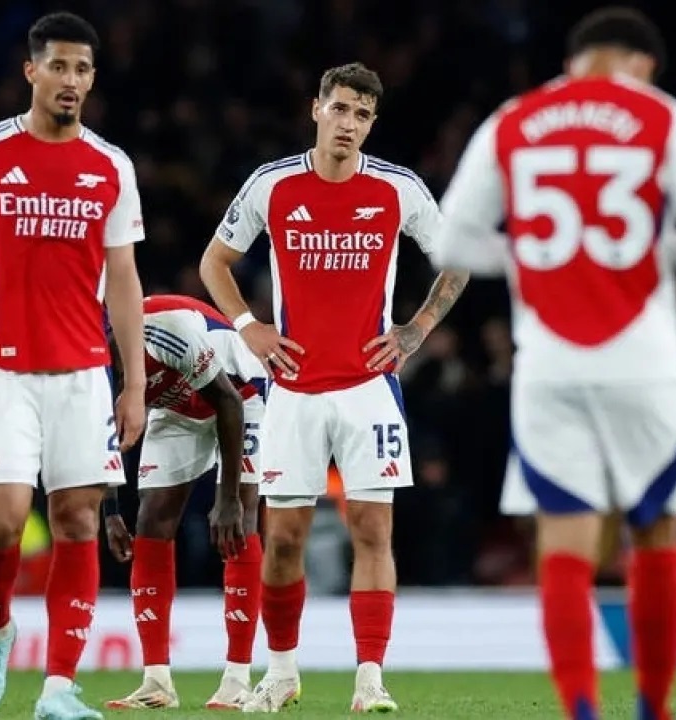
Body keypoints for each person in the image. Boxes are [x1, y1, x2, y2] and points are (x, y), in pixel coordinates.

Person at [432, 7, 676, 720]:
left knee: (564, 543)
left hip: (549, 364)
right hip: (646, 362)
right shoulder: (666, 118)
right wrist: (650, 253)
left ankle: (580, 710)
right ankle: (653, 709)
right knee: (657, 535)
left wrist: (525, 258)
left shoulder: (512, 120)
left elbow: (451, 243)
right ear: (643, 64)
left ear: (575, 59)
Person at [198, 62, 470, 713]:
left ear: (371, 124)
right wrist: (249, 327)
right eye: (340, 108)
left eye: (362, 115)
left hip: (369, 389)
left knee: (372, 532)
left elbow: (456, 259)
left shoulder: (398, 189)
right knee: (283, 538)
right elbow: (215, 262)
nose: (349, 123)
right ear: (316, 109)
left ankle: (370, 679)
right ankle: (281, 672)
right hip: (292, 389)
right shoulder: (272, 185)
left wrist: (417, 329)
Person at [0, 12, 147, 720]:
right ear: (31, 71)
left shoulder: (111, 165)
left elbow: (124, 277)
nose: (70, 80)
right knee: (2, 522)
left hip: (84, 375)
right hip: (3, 371)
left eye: (82, 69)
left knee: (78, 520)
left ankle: (59, 687)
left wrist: (134, 382)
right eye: (58, 66)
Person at [101, 294, 267, 710]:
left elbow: (227, 401)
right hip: (177, 409)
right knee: (152, 521)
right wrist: (111, 511)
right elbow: (100, 432)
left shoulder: (164, 329)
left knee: (239, 522)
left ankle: (237, 679)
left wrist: (227, 498)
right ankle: (156, 682)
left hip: (241, 392)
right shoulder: (88, 364)